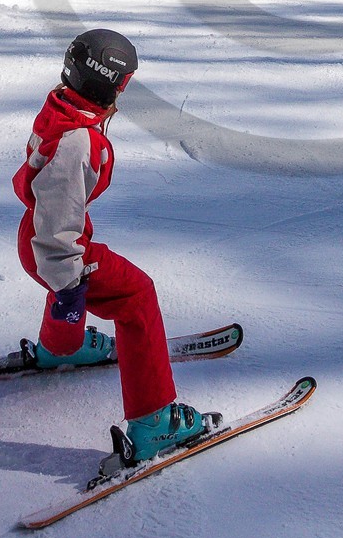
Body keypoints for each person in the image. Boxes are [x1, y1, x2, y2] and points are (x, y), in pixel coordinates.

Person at [14, 28, 216, 465]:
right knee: (136, 296)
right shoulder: (77, 144)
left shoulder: (64, 105)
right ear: (109, 83)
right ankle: (153, 422)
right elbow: (58, 229)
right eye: (123, 83)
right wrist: (68, 283)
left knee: (69, 273)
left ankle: (60, 347)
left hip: (41, 237)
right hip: (54, 243)